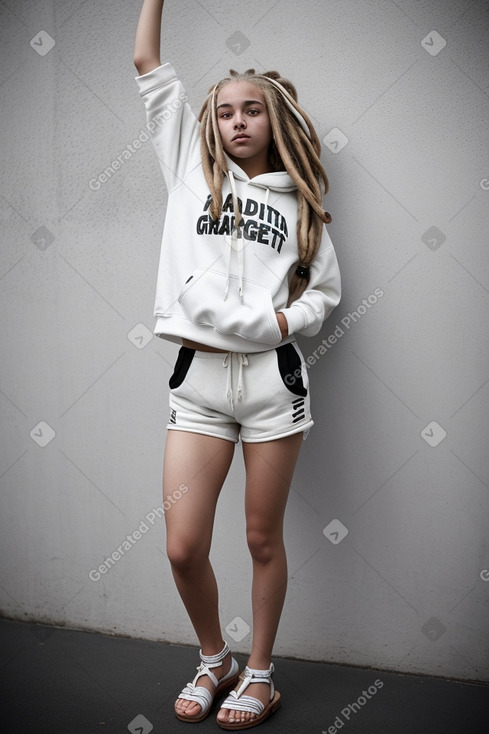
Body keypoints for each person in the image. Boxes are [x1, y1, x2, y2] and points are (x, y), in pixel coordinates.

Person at [134, 0, 341, 728]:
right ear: (210, 125)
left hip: (270, 383)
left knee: (260, 537)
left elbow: (327, 291)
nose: (237, 122)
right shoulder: (188, 169)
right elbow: (149, 69)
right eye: (225, 113)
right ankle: (212, 657)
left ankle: (259, 676)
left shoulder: (300, 205)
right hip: (199, 382)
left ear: (273, 119)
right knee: (182, 544)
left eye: (252, 110)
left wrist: (286, 319)